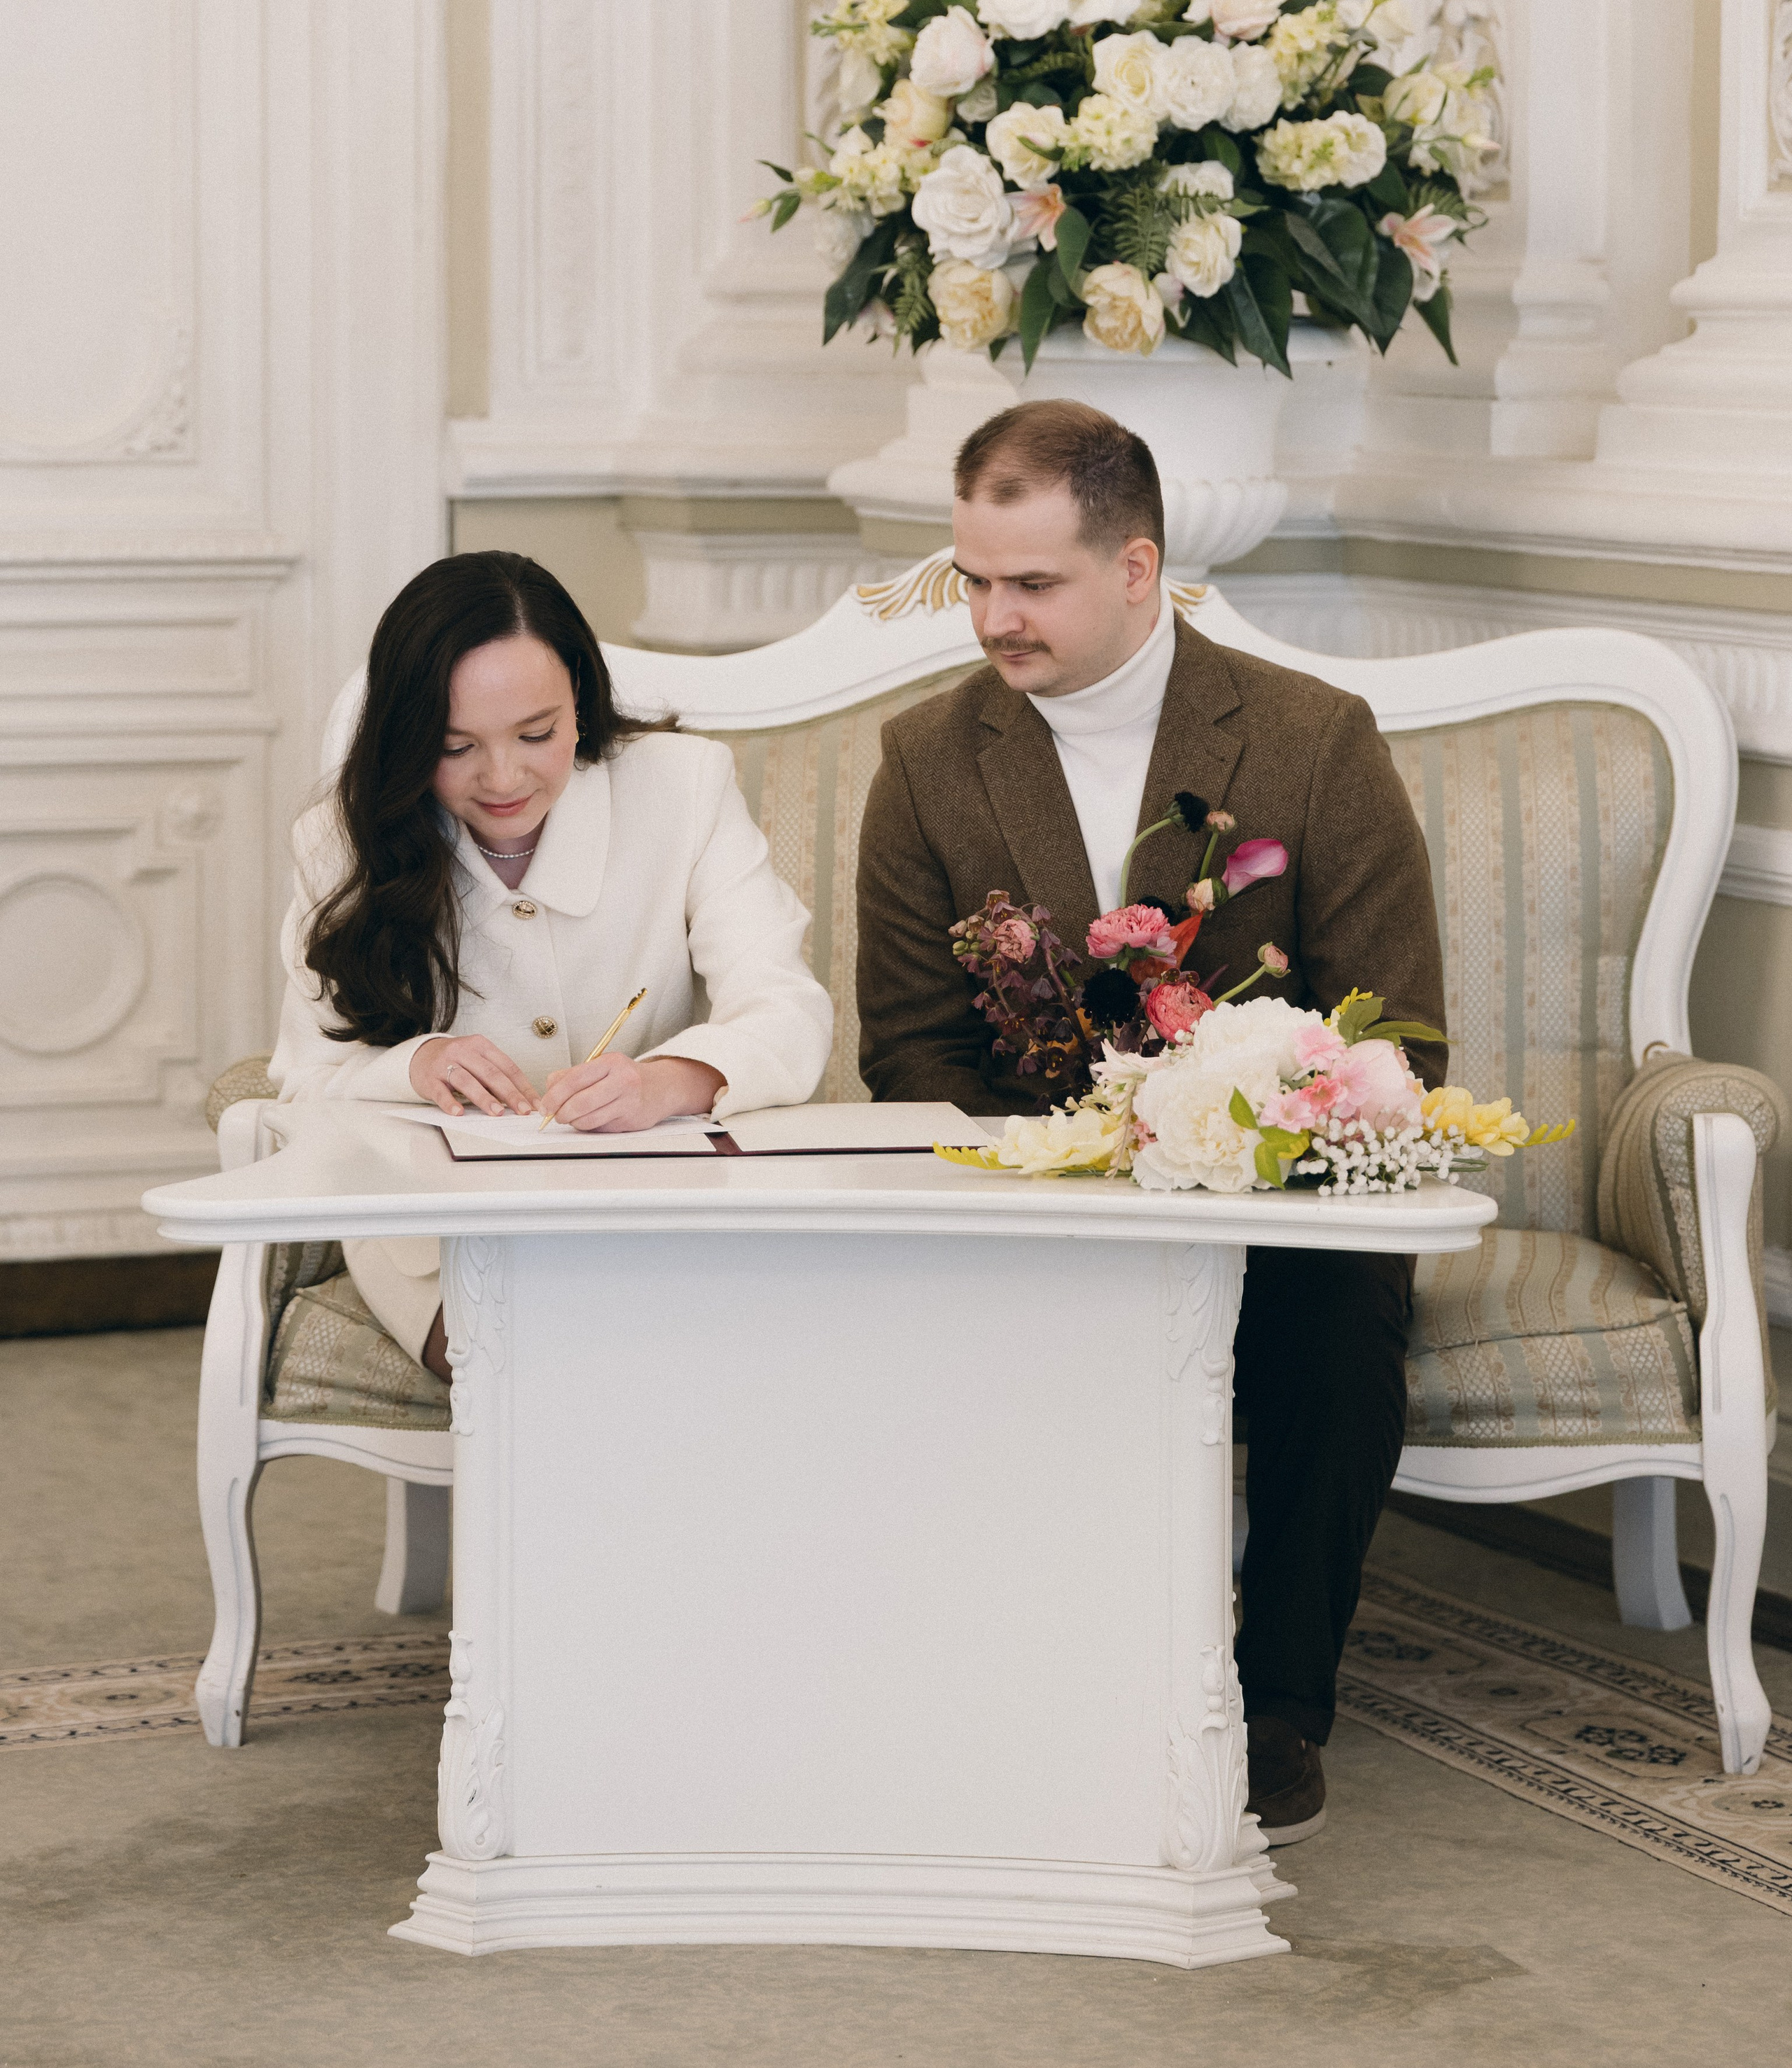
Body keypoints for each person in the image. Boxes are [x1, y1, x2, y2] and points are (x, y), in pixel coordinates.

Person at [856, 399, 1446, 1847]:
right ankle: (1023, 1674)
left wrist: (1233, 1127)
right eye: (972, 579)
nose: (993, 615)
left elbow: (1399, 1026)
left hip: (1274, 1202)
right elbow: (908, 1048)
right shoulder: (928, 759)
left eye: (1031, 582)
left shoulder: (1311, 740)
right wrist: (1088, 1151)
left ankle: (1277, 1702)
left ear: (1136, 569)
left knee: (1338, 1324)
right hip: (1035, 1196)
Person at [269, 551, 832, 1378]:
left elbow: (787, 1006)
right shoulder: (342, 840)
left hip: (660, 1200)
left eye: (537, 734)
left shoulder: (683, 786)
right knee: (528, 1361)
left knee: (705, 1359)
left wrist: (668, 1078)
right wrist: (418, 1064)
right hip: (438, 1225)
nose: (504, 778)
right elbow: (305, 1081)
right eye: (455, 746)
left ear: (581, 701)